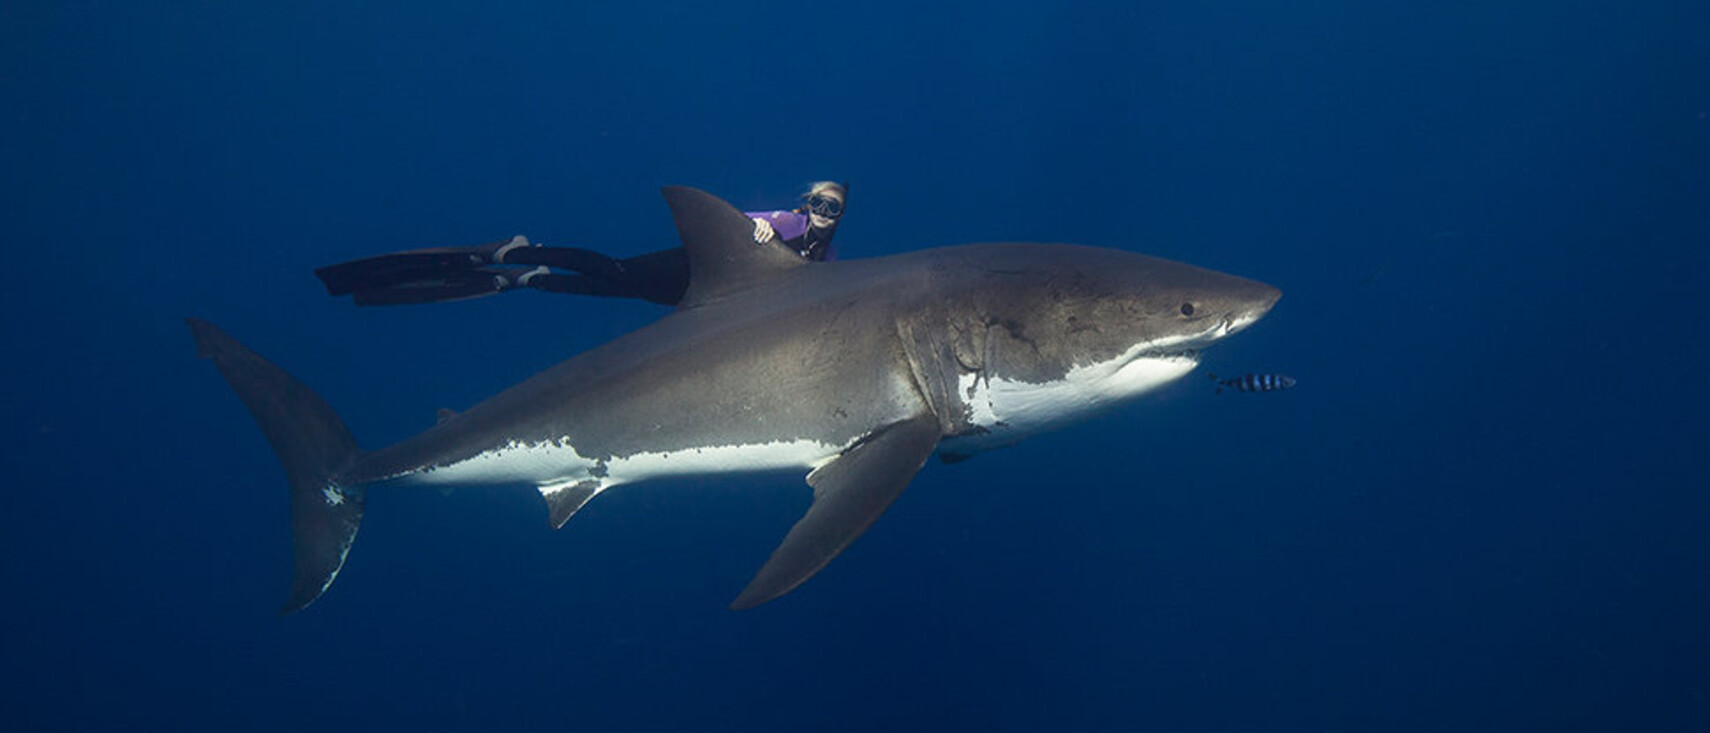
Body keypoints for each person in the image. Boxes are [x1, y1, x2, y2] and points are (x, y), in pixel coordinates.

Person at [315, 181, 847, 307]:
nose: (823, 214)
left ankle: (528, 279)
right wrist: (757, 227)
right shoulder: (785, 222)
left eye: (833, 208)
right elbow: (735, 223)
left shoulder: (827, 258)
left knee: (613, 291)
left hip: (706, 294)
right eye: (818, 204)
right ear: (805, 204)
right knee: (615, 270)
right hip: (694, 266)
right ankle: (513, 251)